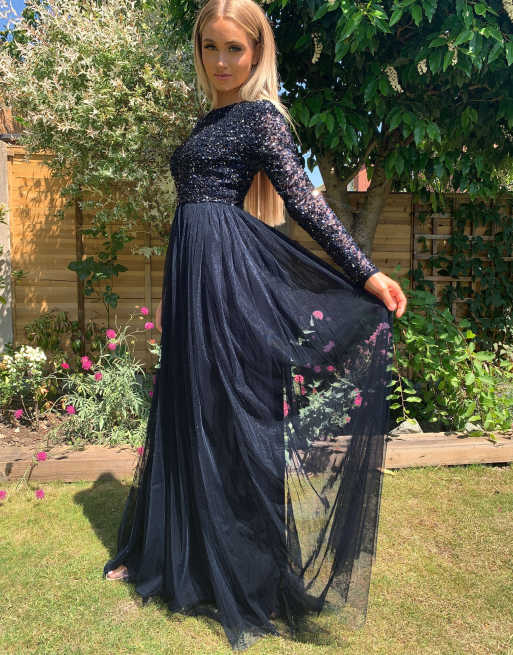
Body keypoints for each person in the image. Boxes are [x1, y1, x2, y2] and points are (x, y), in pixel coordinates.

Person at [103, 0, 407, 650]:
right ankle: (167, 551)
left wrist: (365, 273)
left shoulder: (261, 118)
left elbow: (304, 201)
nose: (219, 61)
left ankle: (246, 566)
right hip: (192, 273)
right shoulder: (209, 118)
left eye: (233, 48)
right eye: (209, 47)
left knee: (230, 414)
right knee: (187, 409)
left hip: (223, 278)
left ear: (257, 52)